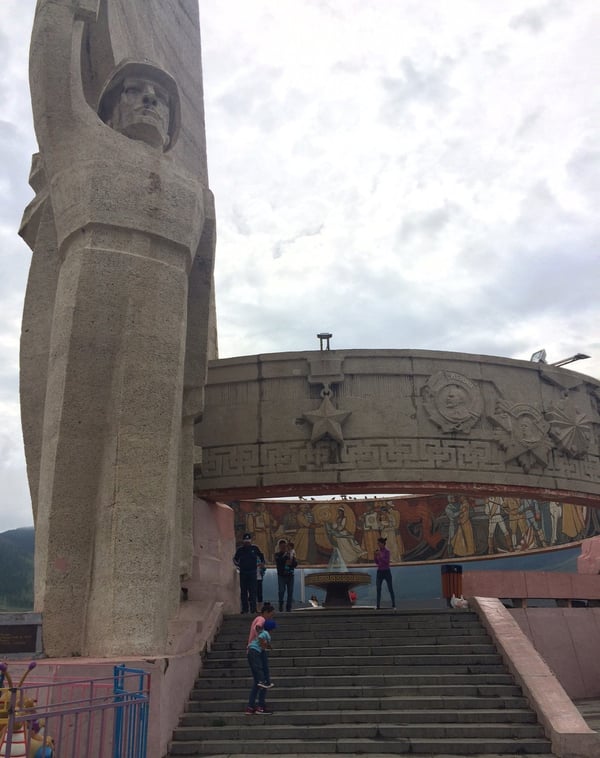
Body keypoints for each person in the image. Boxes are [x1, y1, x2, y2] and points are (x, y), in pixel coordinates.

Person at [245, 619, 277, 715]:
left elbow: (265, 642)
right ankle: (260, 707)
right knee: (260, 674)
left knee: (256, 680)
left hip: (251, 651)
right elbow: (261, 638)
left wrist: (268, 646)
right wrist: (263, 643)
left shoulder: (264, 632)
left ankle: (250, 707)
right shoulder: (265, 633)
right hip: (255, 652)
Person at [233, 534, 266, 614]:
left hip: (252, 572)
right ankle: (245, 609)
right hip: (243, 573)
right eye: (245, 541)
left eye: (248, 541)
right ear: (243, 541)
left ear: (250, 541)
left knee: (253, 591)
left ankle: (253, 609)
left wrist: (262, 563)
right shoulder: (240, 550)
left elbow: (261, 556)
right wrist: (239, 566)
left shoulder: (255, 548)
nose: (247, 542)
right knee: (244, 591)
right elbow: (235, 559)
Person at [247, 603, 275, 689]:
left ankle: (264, 682)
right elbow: (257, 627)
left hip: (255, 649)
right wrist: (261, 639)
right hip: (255, 649)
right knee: (260, 670)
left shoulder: (258, 619)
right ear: (266, 612)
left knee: (258, 678)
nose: (271, 617)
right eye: (271, 615)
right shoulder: (261, 619)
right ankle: (264, 682)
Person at [274, 539, 297, 612]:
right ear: (280, 547)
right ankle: (281, 604)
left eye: (285, 546)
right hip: (281, 576)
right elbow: (279, 561)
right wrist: (285, 557)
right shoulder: (277, 554)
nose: (283, 548)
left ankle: (288, 607)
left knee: (290, 591)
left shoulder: (290, 554)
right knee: (281, 591)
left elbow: (295, 564)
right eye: (282, 546)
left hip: (290, 575)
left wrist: (291, 561)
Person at [374, 537, 396, 609]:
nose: (378, 544)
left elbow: (386, 562)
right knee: (378, 588)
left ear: (383, 544)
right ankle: (378, 605)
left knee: (390, 588)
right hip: (379, 572)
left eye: (379, 543)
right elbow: (377, 562)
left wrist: (380, 556)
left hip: (386, 571)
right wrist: (375, 555)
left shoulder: (387, 552)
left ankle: (393, 604)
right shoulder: (378, 551)